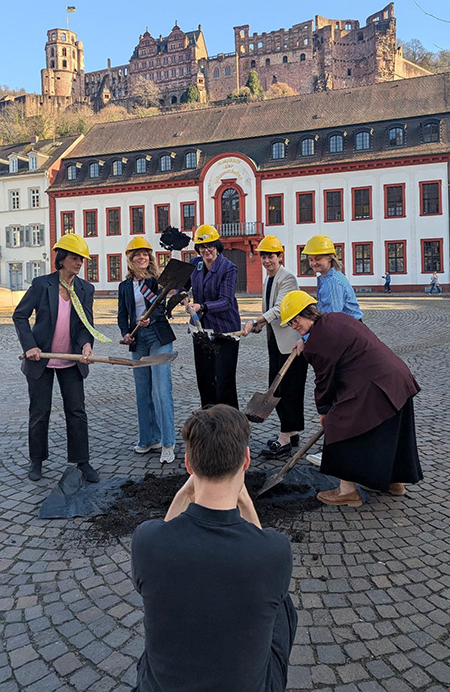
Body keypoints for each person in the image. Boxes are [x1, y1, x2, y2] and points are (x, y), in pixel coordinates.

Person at [131, 404, 297, 692]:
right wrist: (246, 504)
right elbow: (260, 550)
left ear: (188, 464)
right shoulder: (274, 550)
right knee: (281, 603)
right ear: (246, 459)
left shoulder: (147, 541)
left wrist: (186, 491)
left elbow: (165, 531)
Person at [279, 290, 423, 507]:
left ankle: (347, 491)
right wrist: (305, 341)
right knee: (390, 429)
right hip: (396, 377)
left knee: (337, 424)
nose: (293, 326)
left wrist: (324, 411)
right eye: (290, 323)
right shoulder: (334, 318)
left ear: (307, 313)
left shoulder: (318, 342)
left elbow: (324, 381)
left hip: (375, 384)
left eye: (295, 320)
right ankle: (394, 482)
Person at [13, 234, 102, 483]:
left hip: (71, 360)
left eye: (81, 259)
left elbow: (87, 324)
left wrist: (86, 345)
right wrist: (30, 346)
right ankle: (37, 460)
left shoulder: (85, 288)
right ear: (61, 259)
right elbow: (20, 316)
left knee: (77, 411)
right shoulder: (42, 285)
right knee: (39, 412)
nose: (79, 263)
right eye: (74, 258)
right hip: (40, 359)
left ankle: (82, 461)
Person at [242, 235, 307, 458]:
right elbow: (273, 311)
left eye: (271, 256)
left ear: (280, 256)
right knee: (277, 387)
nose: (267, 260)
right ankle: (292, 431)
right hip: (276, 342)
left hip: (291, 344)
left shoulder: (287, 278)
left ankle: (285, 438)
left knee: (288, 390)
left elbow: (280, 309)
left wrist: (257, 321)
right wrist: (262, 327)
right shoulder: (269, 278)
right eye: (264, 256)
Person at [302, 234, 363, 466]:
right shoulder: (325, 277)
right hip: (343, 337)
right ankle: (334, 446)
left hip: (346, 341)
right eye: (311, 258)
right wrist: (306, 337)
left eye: (318, 258)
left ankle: (334, 450)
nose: (314, 262)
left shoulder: (334, 283)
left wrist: (311, 341)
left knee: (337, 395)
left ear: (330, 257)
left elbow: (333, 321)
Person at [118, 237, 176, 464]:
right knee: (143, 392)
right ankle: (148, 439)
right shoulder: (124, 286)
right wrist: (126, 332)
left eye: (145, 254)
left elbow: (162, 308)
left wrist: (150, 317)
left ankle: (168, 442)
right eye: (137, 254)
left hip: (159, 337)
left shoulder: (158, 282)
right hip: (137, 340)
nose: (142, 257)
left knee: (161, 392)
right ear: (130, 258)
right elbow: (122, 314)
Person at [184, 224, 241, 408]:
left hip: (225, 331)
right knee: (205, 378)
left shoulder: (228, 268)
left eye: (211, 245)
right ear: (198, 249)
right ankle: (209, 422)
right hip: (201, 330)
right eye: (202, 247)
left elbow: (226, 301)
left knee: (224, 381)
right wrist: (182, 294)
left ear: (217, 246)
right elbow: (179, 283)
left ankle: (230, 425)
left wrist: (202, 306)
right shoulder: (195, 264)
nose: (206, 250)